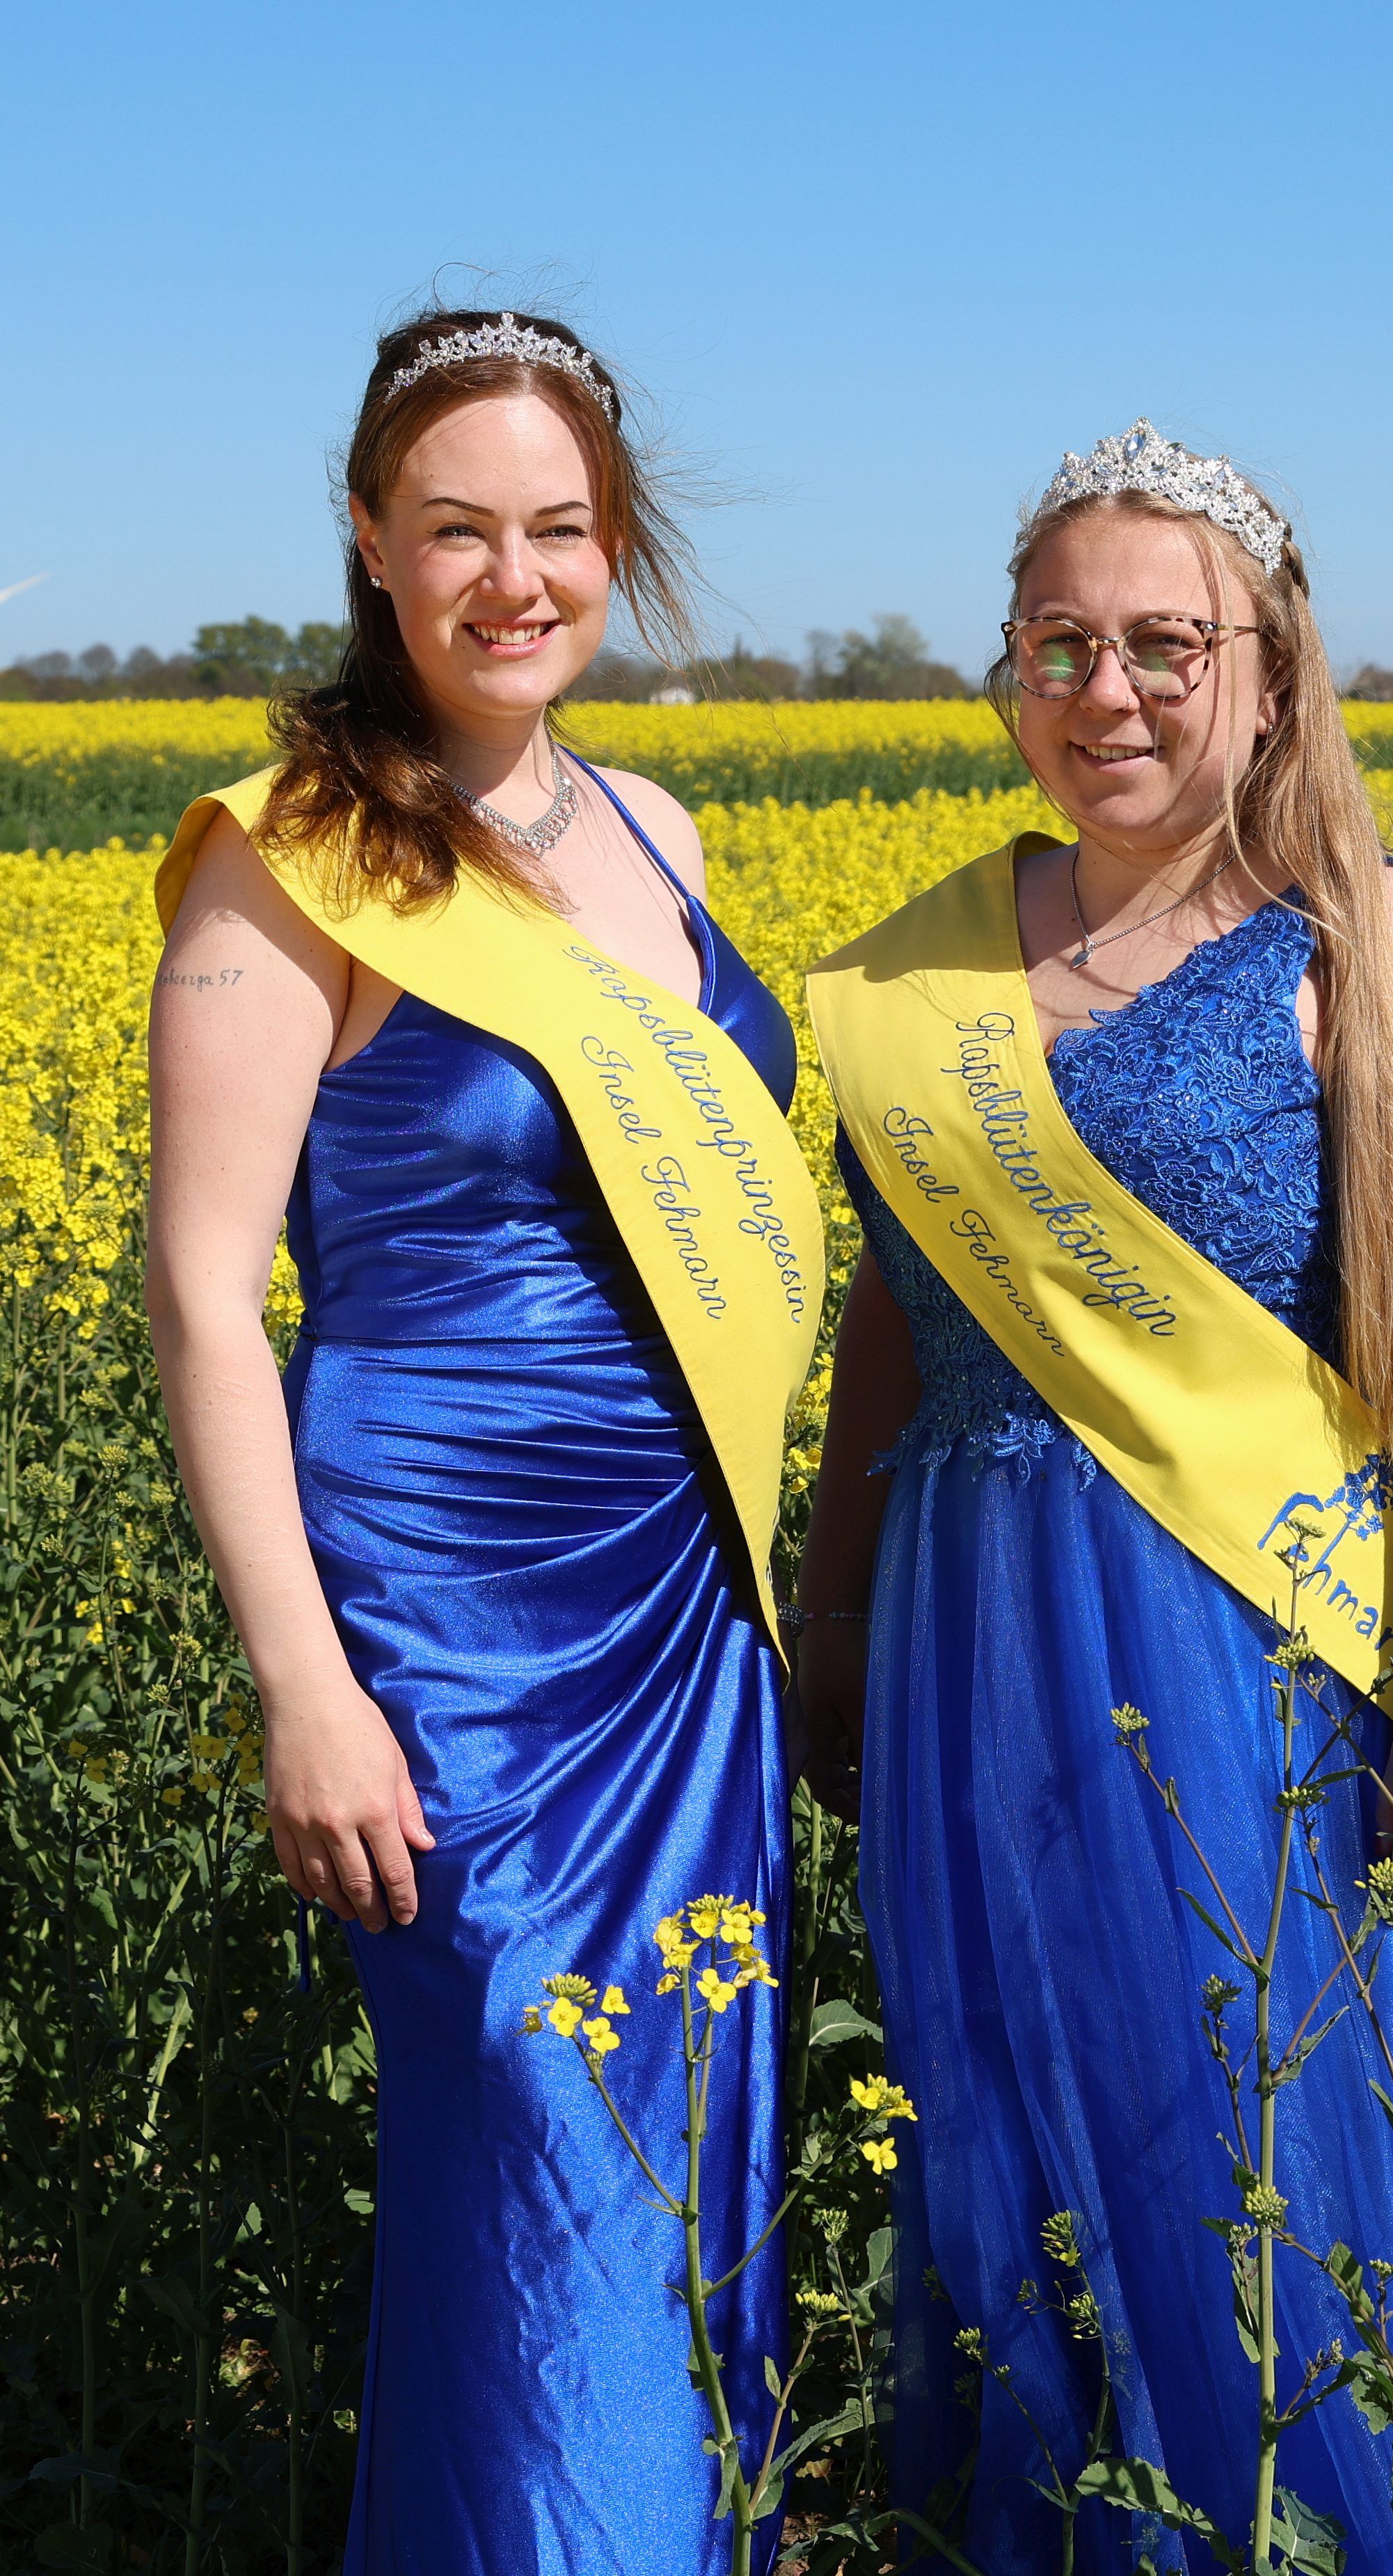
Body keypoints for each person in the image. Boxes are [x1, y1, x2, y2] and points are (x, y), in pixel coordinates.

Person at [796, 421, 1393, 2568]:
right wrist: (831, 1621)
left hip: (1248, 1665)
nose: (1103, 692)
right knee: (1015, 2122)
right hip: (964, 1658)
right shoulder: (921, 975)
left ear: (1271, 673)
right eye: (1058, 644)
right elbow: (895, 1334)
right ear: (1005, 674)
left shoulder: (1365, 945)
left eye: (1159, 645)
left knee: (1267, 2139)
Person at [147, 308, 822, 2575]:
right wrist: (305, 1684)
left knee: (681, 2172)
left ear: (612, 547)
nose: (510, 576)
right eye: (456, 528)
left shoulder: (663, 822)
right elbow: (202, 1296)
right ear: (369, 538)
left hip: (679, 1613)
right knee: (543, 2158)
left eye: (556, 527)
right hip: (443, 1637)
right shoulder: (288, 857)